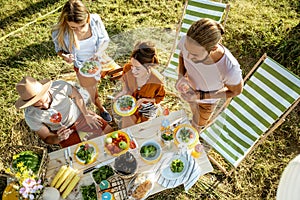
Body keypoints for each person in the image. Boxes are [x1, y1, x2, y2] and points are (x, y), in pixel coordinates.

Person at [176, 18, 243, 130]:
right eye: (188, 50)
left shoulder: (229, 69)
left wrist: (200, 96)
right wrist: (181, 76)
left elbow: (236, 91)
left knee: (196, 126)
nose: (189, 57)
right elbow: (182, 55)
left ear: (213, 48)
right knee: (192, 109)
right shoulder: (186, 41)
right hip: (189, 90)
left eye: (194, 55)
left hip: (206, 103)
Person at [51, 0, 112, 122]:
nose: (78, 30)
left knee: (122, 74)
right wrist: (65, 57)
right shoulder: (59, 31)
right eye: (73, 27)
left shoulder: (95, 20)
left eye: (82, 26)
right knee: (92, 89)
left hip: (101, 58)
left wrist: (98, 54)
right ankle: (101, 108)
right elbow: (59, 50)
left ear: (87, 18)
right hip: (82, 66)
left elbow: (105, 40)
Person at [15, 76, 113, 148]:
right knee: (79, 157)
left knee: (110, 135)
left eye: (45, 101)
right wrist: (58, 138)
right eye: (37, 105)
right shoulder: (30, 115)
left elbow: (77, 96)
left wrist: (86, 114)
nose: (45, 106)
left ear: (46, 91)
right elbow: (46, 137)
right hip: (61, 131)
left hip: (80, 117)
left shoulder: (60, 87)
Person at [114, 41, 166, 128]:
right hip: (131, 104)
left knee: (144, 130)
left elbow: (159, 98)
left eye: (137, 68)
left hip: (147, 107)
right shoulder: (127, 68)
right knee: (126, 129)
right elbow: (124, 81)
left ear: (149, 67)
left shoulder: (158, 81)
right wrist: (124, 91)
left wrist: (144, 100)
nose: (132, 71)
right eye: (132, 66)